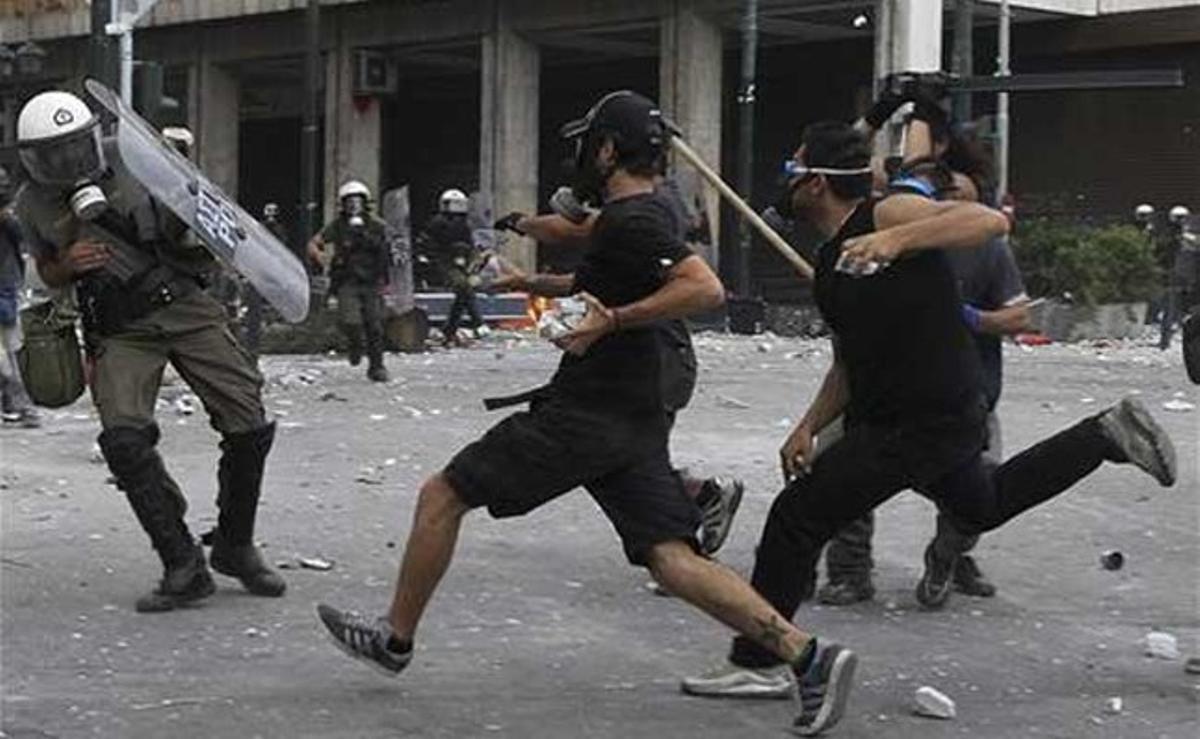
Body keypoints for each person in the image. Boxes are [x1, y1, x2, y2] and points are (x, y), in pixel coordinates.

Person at [316, 91, 859, 736]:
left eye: (588, 143)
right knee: (670, 557)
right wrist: (532, 286)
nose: (580, 156)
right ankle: (807, 656)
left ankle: (394, 639)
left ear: (606, 150)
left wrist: (615, 321)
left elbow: (703, 287)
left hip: (585, 415)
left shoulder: (637, 220)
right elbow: (598, 282)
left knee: (442, 494)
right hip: (631, 419)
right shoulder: (637, 213)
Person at [683, 120, 1176, 700]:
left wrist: (896, 241)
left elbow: (991, 222)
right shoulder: (827, 264)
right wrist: (808, 426)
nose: (784, 180)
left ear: (816, 182)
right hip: (913, 416)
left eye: (793, 169)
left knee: (797, 517)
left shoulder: (884, 214)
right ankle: (1103, 435)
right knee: (983, 504)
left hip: (919, 418)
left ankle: (761, 660)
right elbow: (848, 361)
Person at [15, 90, 284, 612]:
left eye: (75, 147)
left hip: (184, 302)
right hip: (120, 325)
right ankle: (181, 561)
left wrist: (185, 219)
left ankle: (235, 544)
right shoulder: (32, 203)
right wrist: (67, 263)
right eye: (53, 155)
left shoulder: (138, 156)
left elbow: (206, 222)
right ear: (32, 158)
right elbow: (45, 272)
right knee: (124, 441)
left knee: (248, 422)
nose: (68, 162)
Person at [817, 114, 1031, 609]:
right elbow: (844, 169)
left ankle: (950, 557)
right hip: (884, 396)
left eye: (959, 197)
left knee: (978, 496)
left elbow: (1018, 315)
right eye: (939, 197)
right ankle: (847, 570)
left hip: (963, 396)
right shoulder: (886, 231)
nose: (948, 206)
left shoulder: (986, 251)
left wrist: (968, 318)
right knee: (835, 467)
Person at [494, 184, 744, 559]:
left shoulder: (637, 219)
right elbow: (575, 279)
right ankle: (695, 515)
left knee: (636, 463)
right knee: (631, 459)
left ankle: (687, 544)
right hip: (650, 363)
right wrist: (524, 281)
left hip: (657, 361)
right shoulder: (632, 236)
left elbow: (568, 228)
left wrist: (520, 222)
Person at [307, 180, 391, 381]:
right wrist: (319, 255)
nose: (354, 206)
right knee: (350, 320)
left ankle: (377, 367)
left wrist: (388, 276)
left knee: (375, 326)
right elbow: (314, 242)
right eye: (349, 201)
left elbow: (392, 247)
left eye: (358, 201)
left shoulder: (377, 225)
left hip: (371, 280)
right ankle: (355, 345)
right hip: (347, 280)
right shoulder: (337, 226)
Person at [0, 165, 40, 428]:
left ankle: (21, 406)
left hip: (4, 286)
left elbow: (24, 239)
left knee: (7, 352)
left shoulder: (9, 218)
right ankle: (16, 405)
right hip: (6, 285)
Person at [420, 188, 484, 347]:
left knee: (462, 294)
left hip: (460, 261)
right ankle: (478, 321)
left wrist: (471, 258)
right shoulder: (437, 222)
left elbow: (470, 243)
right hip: (443, 261)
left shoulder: (465, 223)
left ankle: (449, 330)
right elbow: (428, 243)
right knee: (463, 286)